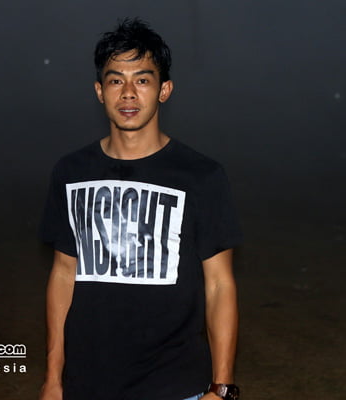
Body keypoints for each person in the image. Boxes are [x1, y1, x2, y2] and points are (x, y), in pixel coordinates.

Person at [39, 18, 242, 400]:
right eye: (116, 81)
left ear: (164, 90)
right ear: (100, 91)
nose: (128, 93)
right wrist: (53, 378)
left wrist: (222, 387)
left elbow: (219, 285)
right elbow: (64, 274)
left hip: (176, 386)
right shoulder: (71, 172)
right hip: (87, 385)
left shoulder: (202, 176)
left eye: (142, 80)